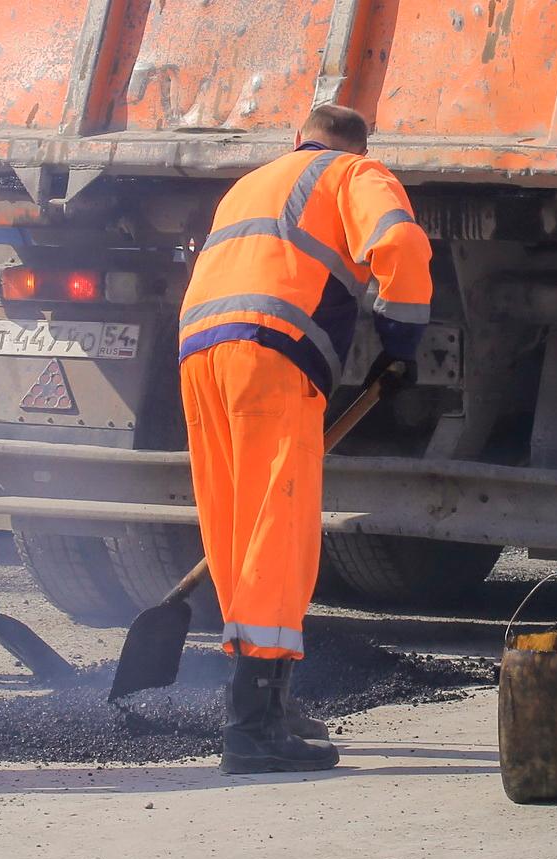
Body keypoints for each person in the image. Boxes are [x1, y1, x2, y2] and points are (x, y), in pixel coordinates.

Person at [179, 105, 433, 773]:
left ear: (299, 141)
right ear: (357, 146)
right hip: (271, 354)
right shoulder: (355, 172)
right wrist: (400, 345)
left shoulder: (253, 182)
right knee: (278, 522)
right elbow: (400, 244)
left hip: (200, 352)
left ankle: (263, 699)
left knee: (234, 522)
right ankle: (254, 726)